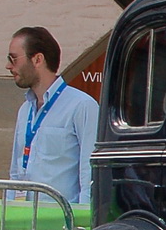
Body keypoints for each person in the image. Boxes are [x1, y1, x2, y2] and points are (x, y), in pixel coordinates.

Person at [6, 28, 99, 207]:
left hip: (60, 225)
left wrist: (83, 222)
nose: (9, 66)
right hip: (22, 222)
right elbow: (16, 174)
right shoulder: (25, 110)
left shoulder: (82, 106)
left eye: (13, 58)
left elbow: (90, 174)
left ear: (37, 59)